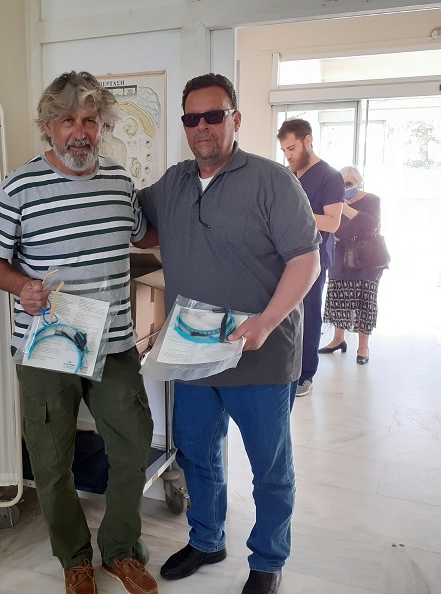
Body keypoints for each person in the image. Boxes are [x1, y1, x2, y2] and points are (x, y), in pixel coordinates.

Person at [0, 70, 159, 594]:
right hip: (49, 345)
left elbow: (144, 234)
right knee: (52, 461)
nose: (80, 132)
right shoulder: (20, 185)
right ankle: (75, 560)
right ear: (48, 127)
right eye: (68, 121)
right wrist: (22, 287)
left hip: (115, 343)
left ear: (103, 126)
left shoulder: (120, 182)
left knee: (131, 448)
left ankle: (120, 550)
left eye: (90, 120)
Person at [138, 73, 320, 594]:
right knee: (198, 454)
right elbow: (140, 227)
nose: (203, 127)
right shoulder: (173, 184)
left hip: (258, 354)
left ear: (235, 120)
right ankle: (207, 539)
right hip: (193, 353)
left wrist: (265, 322)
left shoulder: (271, 181)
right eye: (192, 118)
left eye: (214, 115)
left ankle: (268, 560)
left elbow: (305, 260)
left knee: (270, 467)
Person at [276, 119, 344, 400]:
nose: (288, 155)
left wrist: (295, 215)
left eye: (292, 148)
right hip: (284, 257)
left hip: (313, 260)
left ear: (308, 140)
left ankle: (306, 374)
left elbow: (333, 222)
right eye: (284, 150)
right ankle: (285, 367)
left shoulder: (330, 176)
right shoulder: (288, 174)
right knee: (284, 314)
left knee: (309, 316)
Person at [319, 165, 386, 364]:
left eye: (349, 183)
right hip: (341, 256)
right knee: (339, 298)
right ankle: (338, 339)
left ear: (359, 183)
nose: (345, 188)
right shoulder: (334, 202)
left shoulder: (372, 200)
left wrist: (346, 209)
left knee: (365, 302)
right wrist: (331, 236)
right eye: (341, 184)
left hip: (366, 258)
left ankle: (363, 346)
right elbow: (328, 223)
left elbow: (372, 225)